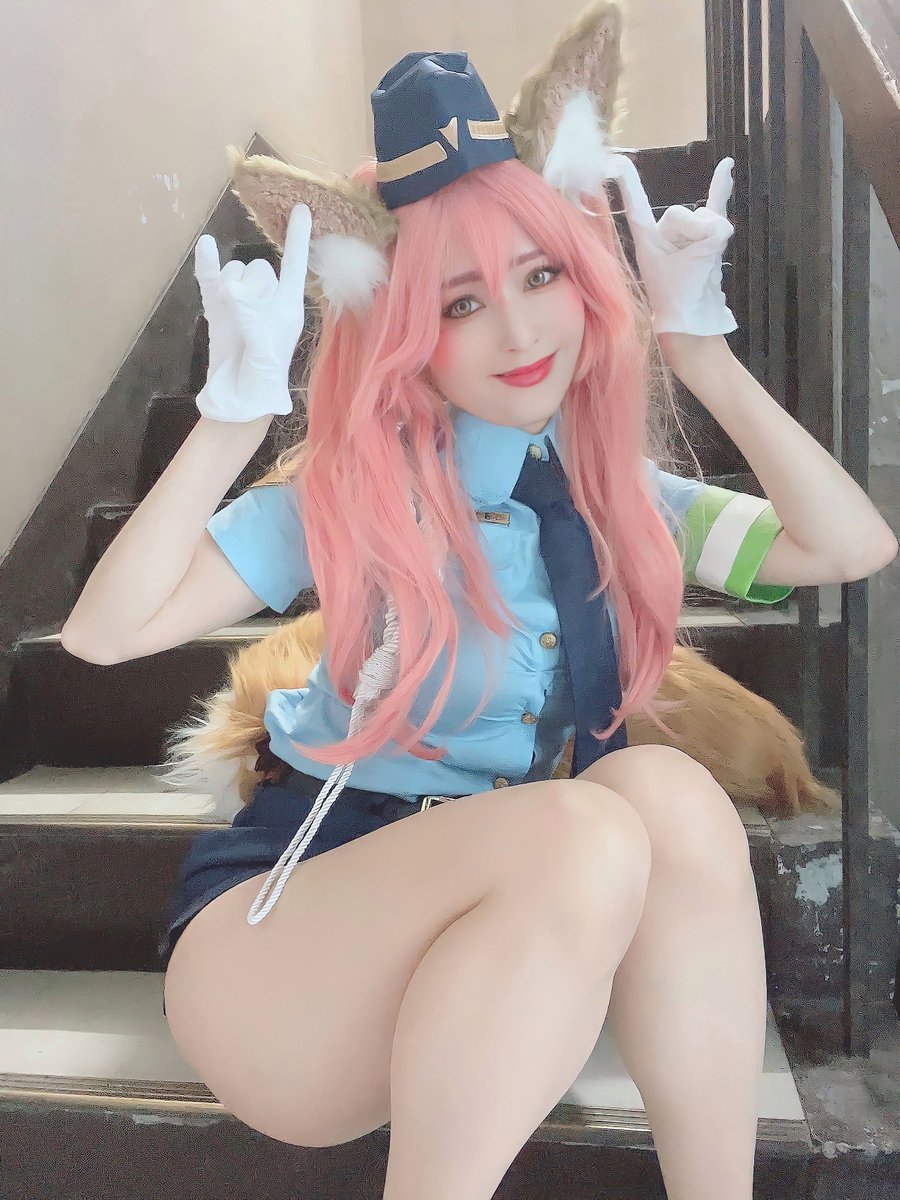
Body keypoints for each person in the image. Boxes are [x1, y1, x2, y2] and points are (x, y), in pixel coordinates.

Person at [60, 4, 897, 1198]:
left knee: (662, 795)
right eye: (460, 303)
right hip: (291, 947)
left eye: (541, 273)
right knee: (586, 825)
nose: (518, 329)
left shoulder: (613, 494)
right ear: (408, 333)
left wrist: (701, 350)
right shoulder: (353, 492)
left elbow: (851, 545)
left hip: (494, 953)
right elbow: (103, 634)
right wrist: (232, 419)